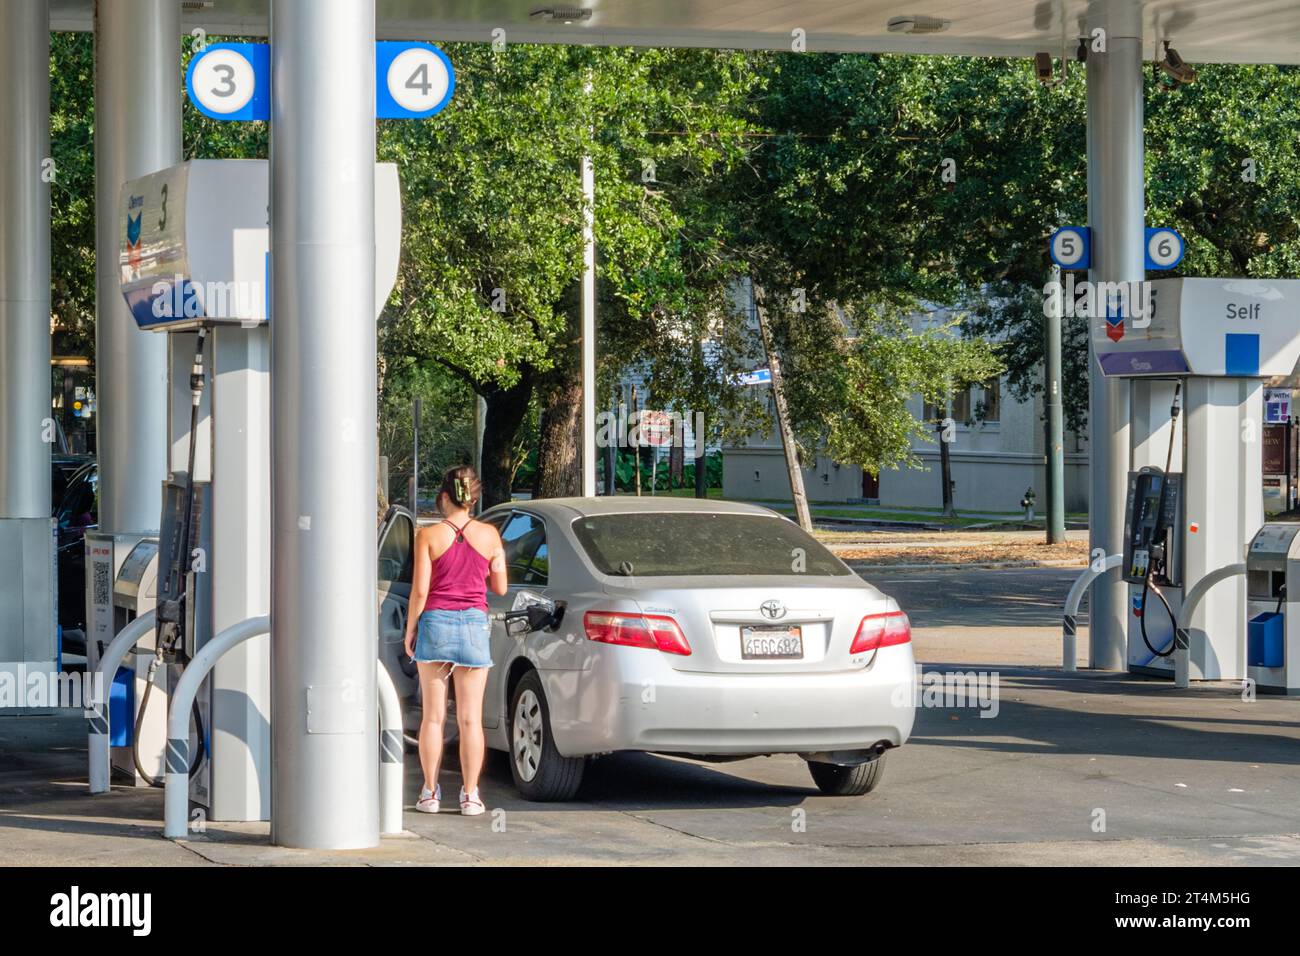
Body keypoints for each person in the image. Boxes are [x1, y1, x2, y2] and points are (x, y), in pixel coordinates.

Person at [403, 466, 507, 815]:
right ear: (473, 498)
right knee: (469, 719)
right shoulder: (491, 535)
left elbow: (420, 591)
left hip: (434, 623)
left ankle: (430, 793)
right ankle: (470, 795)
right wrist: (493, 561)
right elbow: (501, 587)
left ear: (445, 497)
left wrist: (410, 630)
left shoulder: (427, 536)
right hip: (475, 626)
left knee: (432, 717)